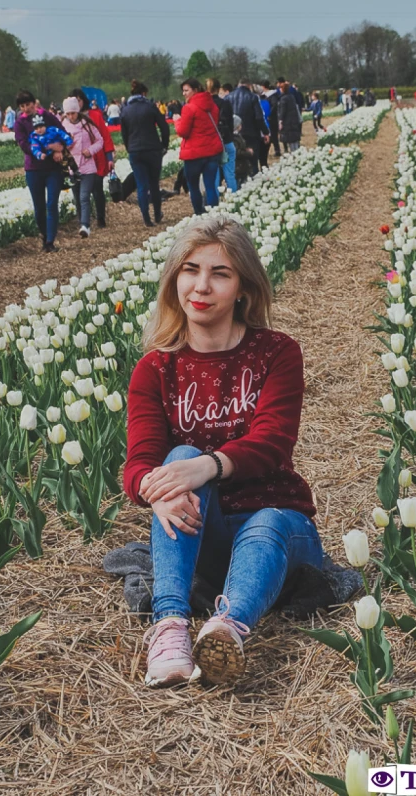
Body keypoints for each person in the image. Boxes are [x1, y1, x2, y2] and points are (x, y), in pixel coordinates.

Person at [123, 217, 323, 687]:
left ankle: (225, 629)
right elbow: (138, 464)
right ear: (175, 279)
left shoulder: (276, 353)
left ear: (243, 289)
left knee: (263, 518)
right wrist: (161, 487)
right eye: (190, 269)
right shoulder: (155, 369)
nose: (202, 286)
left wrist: (205, 466)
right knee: (173, 464)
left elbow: (273, 442)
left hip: (279, 526)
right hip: (200, 529)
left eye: (221, 273)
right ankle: (170, 626)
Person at [13, 90, 66, 253]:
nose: (26, 109)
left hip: (53, 168)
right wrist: (49, 147)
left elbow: (62, 131)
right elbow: (24, 144)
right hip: (34, 168)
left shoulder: (47, 116)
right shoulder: (20, 123)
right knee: (39, 207)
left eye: (28, 104)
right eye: (22, 106)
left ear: (34, 103)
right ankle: (44, 235)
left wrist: (60, 149)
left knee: (51, 204)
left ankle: (50, 241)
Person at [120, 79, 170, 227]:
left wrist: (130, 148)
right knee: (154, 183)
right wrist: (164, 145)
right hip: (153, 149)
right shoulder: (150, 107)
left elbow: (124, 134)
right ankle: (157, 214)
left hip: (135, 151)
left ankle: (146, 218)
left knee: (142, 185)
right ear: (143, 93)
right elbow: (164, 127)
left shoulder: (126, 110)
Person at [176, 78, 222, 214]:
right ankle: (213, 215)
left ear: (195, 90)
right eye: (183, 91)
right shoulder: (212, 106)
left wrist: (177, 121)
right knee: (210, 186)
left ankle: (199, 215)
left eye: (186, 90)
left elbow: (183, 131)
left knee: (194, 186)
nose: (184, 94)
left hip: (194, 154)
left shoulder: (189, 108)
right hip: (212, 151)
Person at [69, 88, 114, 229]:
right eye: (73, 100)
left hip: (96, 158)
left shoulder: (94, 115)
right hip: (75, 161)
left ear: (83, 101)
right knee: (78, 192)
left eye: (79, 100)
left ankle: (101, 217)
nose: (77, 103)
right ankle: (83, 221)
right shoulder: (67, 120)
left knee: (97, 189)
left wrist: (109, 156)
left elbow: (104, 136)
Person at [61, 97, 103, 238]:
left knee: (84, 196)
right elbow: (59, 146)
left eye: (73, 113)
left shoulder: (87, 125)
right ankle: (81, 223)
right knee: (77, 197)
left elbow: (100, 140)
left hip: (87, 166)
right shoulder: (63, 126)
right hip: (72, 167)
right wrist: (68, 145)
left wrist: (90, 150)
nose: (71, 116)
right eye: (68, 114)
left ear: (78, 112)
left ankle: (86, 225)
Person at [228, 79, 268, 176]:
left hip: (233, 134)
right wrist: (265, 132)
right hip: (251, 133)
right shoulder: (253, 97)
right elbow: (259, 117)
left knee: (237, 161)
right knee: (253, 161)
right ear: (249, 86)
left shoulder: (228, 97)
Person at [206, 78, 237, 193]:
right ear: (219, 89)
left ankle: (215, 201)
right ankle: (233, 197)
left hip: (212, 143)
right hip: (226, 140)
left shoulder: (206, 106)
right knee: (230, 173)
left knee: (214, 175)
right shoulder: (225, 103)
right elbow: (230, 124)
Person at [278, 82, 302, 152]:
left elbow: (282, 111)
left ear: (282, 89)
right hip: (294, 120)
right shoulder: (292, 97)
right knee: (294, 139)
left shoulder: (283, 99)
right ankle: (296, 151)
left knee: (290, 139)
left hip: (287, 122)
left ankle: (293, 153)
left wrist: (280, 121)